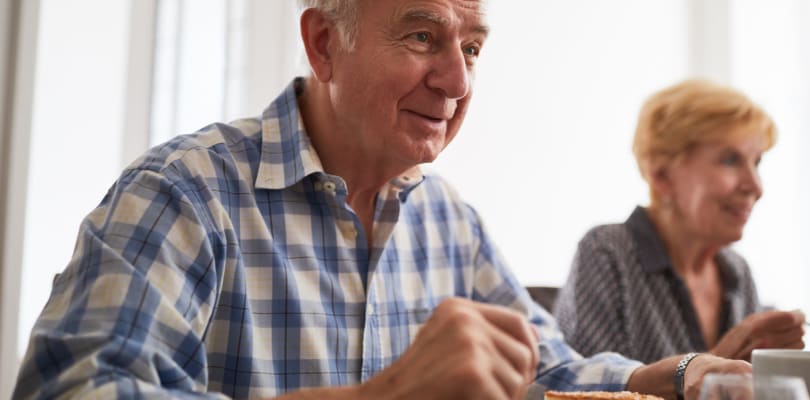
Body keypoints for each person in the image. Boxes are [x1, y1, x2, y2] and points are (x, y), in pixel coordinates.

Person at [13, 1, 751, 399]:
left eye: (472, 49)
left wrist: (668, 376)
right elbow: (81, 391)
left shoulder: (448, 219)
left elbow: (542, 366)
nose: (458, 83)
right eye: (423, 35)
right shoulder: (185, 193)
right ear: (324, 44)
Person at [553, 79, 807, 364]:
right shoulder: (608, 252)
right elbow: (588, 393)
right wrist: (714, 365)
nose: (755, 186)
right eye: (730, 160)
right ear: (663, 176)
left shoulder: (737, 271)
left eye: (756, 162)